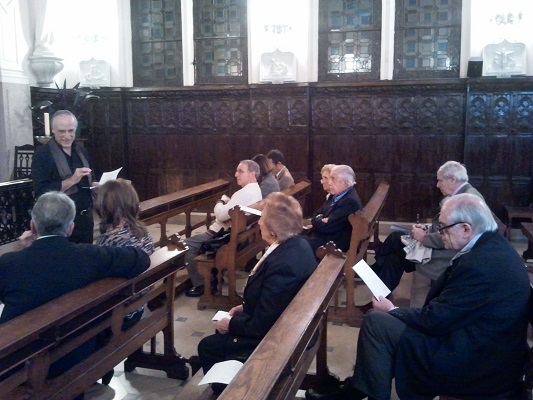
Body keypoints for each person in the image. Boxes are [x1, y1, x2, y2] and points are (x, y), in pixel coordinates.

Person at [306, 193, 530, 400]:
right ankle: (356, 388)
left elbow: (436, 320)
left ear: (465, 229)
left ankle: (357, 391)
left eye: (443, 228)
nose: (440, 234)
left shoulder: (482, 265)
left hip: (476, 362)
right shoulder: (492, 247)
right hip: (482, 345)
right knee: (384, 323)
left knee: (378, 322)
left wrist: (393, 310)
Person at [0, 191, 150, 393]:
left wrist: (25, 250)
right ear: (70, 228)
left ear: (32, 226)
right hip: (78, 351)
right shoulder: (90, 256)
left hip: (18, 363)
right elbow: (141, 259)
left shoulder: (9, 263)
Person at [198, 192, 317, 393]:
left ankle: (233, 393)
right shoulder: (297, 245)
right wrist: (246, 306)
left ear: (273, 230)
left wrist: (231, 323)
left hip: (280, 341)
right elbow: (276, 299)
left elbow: (261, 325)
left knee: (208, 346)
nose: (259, 222)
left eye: (262, 219)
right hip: (288, 325)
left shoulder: (284, 264)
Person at [368, 161, 484, 298]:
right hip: (439, 247)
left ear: (452, 179)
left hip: (444, 255)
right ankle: (380, 296)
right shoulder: (464, 194)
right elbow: (446, 228)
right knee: (394, 256)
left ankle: (376, 278)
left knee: (395, 242)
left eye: (440, 181)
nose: (437, 185)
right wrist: (427, 229)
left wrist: (424, 237)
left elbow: (453, 238)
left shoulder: (465, 201)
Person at [184, 160, 262, 297]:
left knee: (186, 246)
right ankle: (209, 275)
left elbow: (220, 215)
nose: (236, 174)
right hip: (240, 236)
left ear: (252, 174)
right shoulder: (255, 190)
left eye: (241, 171)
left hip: (223, 237)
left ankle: (204, 284)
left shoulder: (245, 193)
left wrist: (220, 202)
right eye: (237, 171)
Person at [94, 178, 154, 331]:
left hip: (121, 314)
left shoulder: (108, 242)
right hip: (140, 303)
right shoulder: (142, 232)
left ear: (104, 207)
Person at [32, 110, 96, 244]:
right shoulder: (42, 155)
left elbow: (89, 181)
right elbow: (41, 192)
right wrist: (72, 180)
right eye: (62, 131)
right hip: (60, 224)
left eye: (71, 131)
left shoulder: (81, 151)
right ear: (53, 130)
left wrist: (98, 186)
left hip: (85, 219)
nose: (67, 136)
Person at [303, 165, 362, 254]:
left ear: (345, 183)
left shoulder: (349, 201)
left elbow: (326, 227)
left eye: (333, 179)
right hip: (323, 236)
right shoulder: (335, 195)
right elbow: (316, 214)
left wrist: (320, 219)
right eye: (329, 178)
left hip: (332, 244)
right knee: (290, 234)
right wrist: (320, 218)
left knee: (294, 242)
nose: (329, 183)